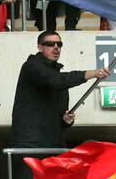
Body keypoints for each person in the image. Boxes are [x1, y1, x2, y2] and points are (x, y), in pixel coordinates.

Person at [11, 32, 108, 170]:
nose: (56, 47)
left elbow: (59, 119)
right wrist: (92, 73)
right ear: (40, 47)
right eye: (50, 44)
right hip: (30, 147)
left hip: (52, 147)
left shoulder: (58, 76)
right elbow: (54, 80)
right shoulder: (31, 66)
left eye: (59, 44)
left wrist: (66, 120)